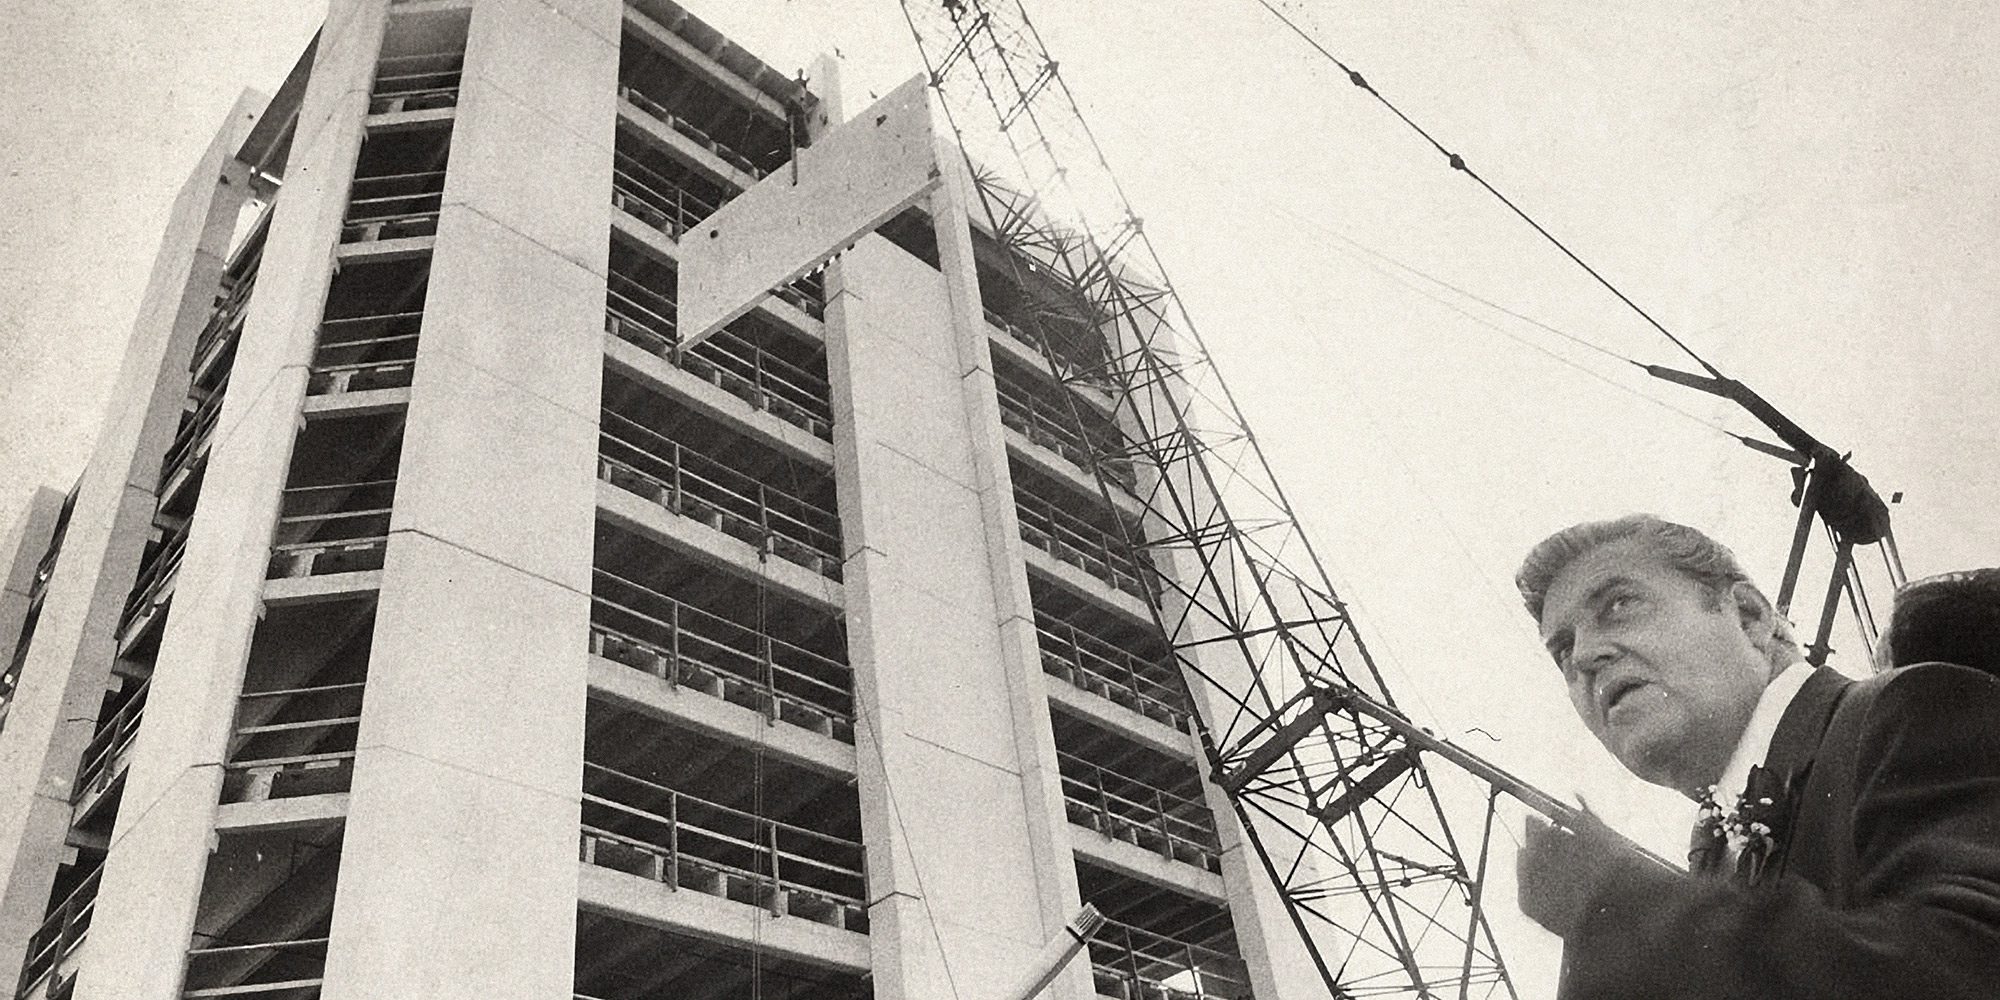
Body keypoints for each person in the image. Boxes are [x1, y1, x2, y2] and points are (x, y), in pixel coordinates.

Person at [1510, 514, 2000, 998]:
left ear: (1748, 616)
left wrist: (1636, 915)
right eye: (1562, 650)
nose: (1583, 657)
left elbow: (1972, 966)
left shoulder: (1909, 709)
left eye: (1619, 604)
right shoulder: (1712, 857)